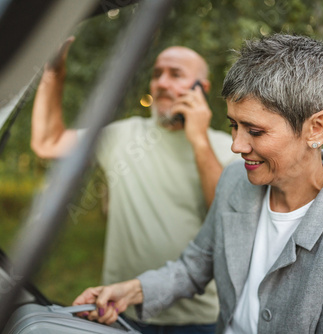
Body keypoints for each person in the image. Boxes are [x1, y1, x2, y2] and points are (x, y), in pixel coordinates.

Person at [72, 34, 323, 333]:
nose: (237, 146)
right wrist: (131, 291)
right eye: (234, 125)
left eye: (255, 131)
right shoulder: (235, 180)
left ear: (317, 128)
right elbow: (195, 266)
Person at [31, 38, 240, 333]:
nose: (162, 83)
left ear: (201, 89)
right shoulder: (123, 134)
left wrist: (198, 140)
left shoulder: (229, 148)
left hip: (198, 319)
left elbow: (226, 215)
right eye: (157, 74)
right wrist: (54, 74)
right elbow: (47, 143)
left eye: (176, 74)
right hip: (122, 309)